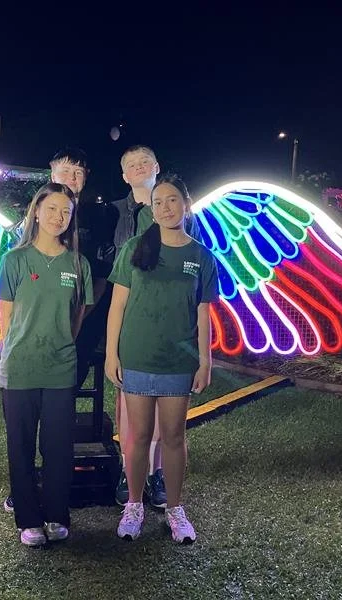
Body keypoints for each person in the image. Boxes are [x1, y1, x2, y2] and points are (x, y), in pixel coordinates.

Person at [105, 173, 218, 544]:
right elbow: (117, 306)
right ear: (150, 209)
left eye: (172, 200)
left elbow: (203, 313)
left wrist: (205, 361)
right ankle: (134, 505)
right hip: (137, 357)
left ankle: (174, 508)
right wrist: (111, 354)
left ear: (186, 204)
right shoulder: (134, 248)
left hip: (177, 362)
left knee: (173, 437)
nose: (165, 208)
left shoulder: (200, 256)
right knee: (137, 437)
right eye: (158, 202)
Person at [2, 148, 116, 515]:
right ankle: (23, 492)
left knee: (58, 424)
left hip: (75, 330)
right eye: (65, 171)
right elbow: (9, 299)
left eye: (79, 173)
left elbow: (99, 279)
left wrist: (71, 320)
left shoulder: (100, 218)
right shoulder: (25, 233)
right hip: (28, 342)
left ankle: (57, 494)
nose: (72, 178)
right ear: (51, 175)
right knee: (23, 426)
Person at [0, 182, 94, 546]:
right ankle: (29, 520)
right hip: (20, 368)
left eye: (66, 211)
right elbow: (7, 319)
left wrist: (58, 342)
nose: (58, 217)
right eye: (51, 208)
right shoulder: (15, 260)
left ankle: (56, 515)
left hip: (60, 368)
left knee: (58, 447)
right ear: (36, 212)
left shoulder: (78, 264)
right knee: (20, 446)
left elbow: (76, 318)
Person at [110, 145, 167, 508]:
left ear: (157, 167)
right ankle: (128, 468)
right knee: (126, 398)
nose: (140, 167)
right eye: (132, 164)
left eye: (145, 161)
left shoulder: (174, 207)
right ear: (124, 175)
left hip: (164, 319)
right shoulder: (113, 212)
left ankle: (157, 472)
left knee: (162, 398)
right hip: (125, 315)